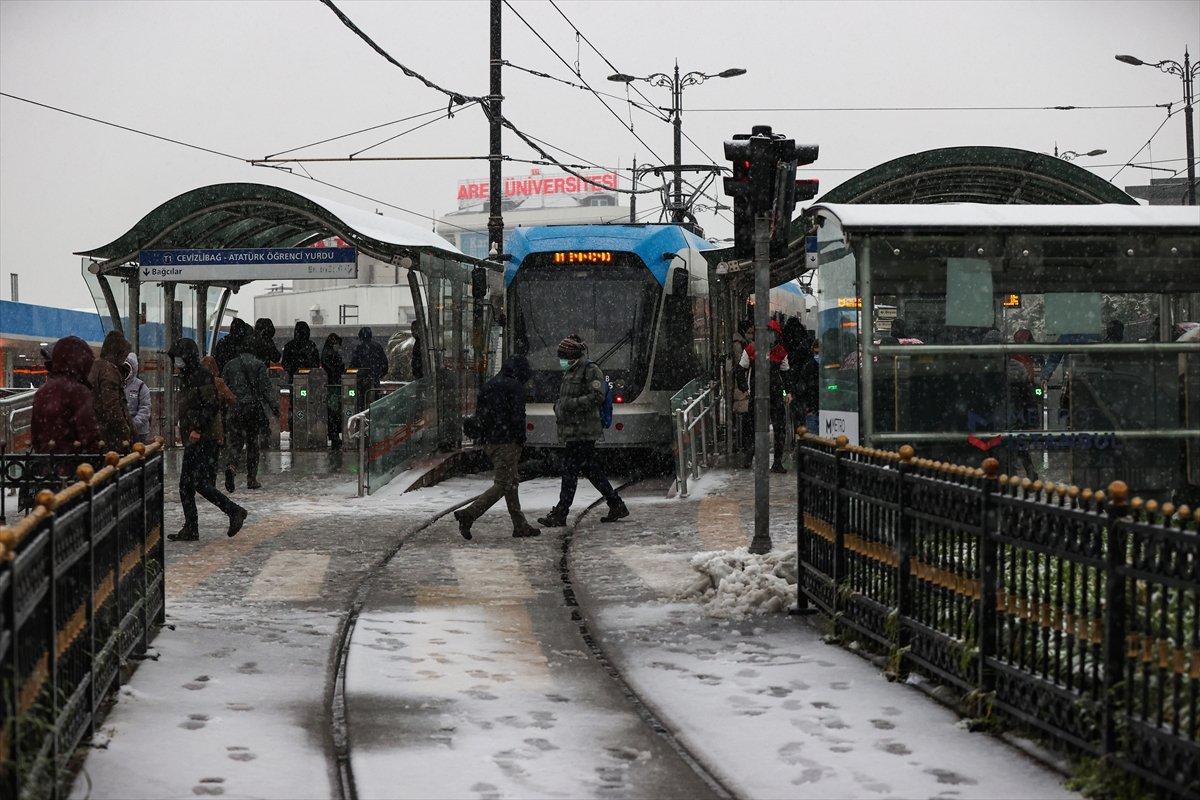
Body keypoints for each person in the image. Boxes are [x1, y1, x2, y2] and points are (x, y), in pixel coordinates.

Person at [537, 335, 628, 527]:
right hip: (573, 430)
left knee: (570, 471)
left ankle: (561, 513)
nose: (561, 361)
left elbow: (597, 396)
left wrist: (568, 405)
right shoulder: (570, 371)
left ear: (573, 355)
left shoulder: (590, 370)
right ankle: (615, 503)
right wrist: (559, 407)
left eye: (563, 356)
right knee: (590, 469)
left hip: (584, 430)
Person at [453, 354, 540, 540]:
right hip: (506, 441)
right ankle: (469, 514)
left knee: (511, 481)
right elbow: (518, 417)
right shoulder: (515, 387)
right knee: (503, 484)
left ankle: (520, 525)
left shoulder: (490, 384)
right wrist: (520, 439)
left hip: (489, 441)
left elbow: (481, 415)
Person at [168, 338, 247, 541]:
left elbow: (210, 405)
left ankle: (233, 511)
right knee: (189, 484)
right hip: (196, 437)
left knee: (196, 483)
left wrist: (197, 428)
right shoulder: (188, 376)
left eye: (178, 358)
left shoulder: (201, 377)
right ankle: (193, 526)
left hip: (203, 438)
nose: (176, 363)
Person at [222, 340, 279, 491]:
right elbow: (266, 389)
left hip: (235, 408)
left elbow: (223, 388)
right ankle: (251, 479)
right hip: (252, 409)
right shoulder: (258, 364)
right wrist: (275, 407)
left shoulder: (229, 365)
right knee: (253, 443)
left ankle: (232, 466)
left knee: (235, 442)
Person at [31, 336, 101, 454]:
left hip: (45, 464)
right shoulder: (79, 392)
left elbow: (36, 435)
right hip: (75, 465)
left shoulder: (42, 392)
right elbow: (90, 437)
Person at [740, 319, 791, 473]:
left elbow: (786, 374)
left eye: (772, 334)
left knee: (775, 428)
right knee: (757, 427)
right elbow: (740, 369)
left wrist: (787, 392)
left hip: (771, 394)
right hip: (761, 395)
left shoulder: (778, 351)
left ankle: (774, 461)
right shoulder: (751, 349)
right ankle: (751, 457)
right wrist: (745, 388)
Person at [89, 330, 135, 451]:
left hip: (98, 432)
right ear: (117, 353)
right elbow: (112, 407)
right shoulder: (109, 371)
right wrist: (126, 431)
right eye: (124, 356)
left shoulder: (95, 366)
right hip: (111, 436)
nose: (124, 360)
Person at [321, 333, 346, 450]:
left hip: (332, 385)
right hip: (333, 385)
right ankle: (334, 435)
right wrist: (339, 370)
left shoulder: (326, 353)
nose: (338, 347)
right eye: (337, 344)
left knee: (333, 412)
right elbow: (335, 369)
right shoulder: (331, 354)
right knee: (334, 412)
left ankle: (333, 434)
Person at [122, 352, 152, 445]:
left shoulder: (141, 386)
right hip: (123, 431)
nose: (124, 371)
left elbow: (145, 409)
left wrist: (133, 425)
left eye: (127, 368)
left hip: (140, 432)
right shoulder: (116, 384)